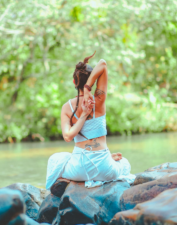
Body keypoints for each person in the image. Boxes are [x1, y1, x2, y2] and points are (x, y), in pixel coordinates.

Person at [46, 51, 135, 190]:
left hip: (78, 170)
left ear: (74, 82)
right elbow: (103, 64)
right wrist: (89, 87)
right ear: (92, 80)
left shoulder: (66, 108)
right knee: (124, 163)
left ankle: (66, 181)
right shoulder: (98, 100)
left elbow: (68, 136)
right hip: (105, 169)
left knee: (55, 160)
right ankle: (107, 160)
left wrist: (82, 114)